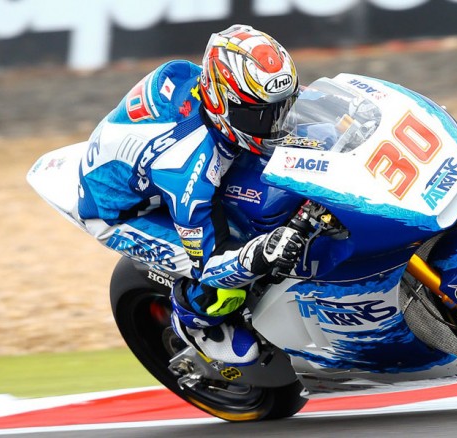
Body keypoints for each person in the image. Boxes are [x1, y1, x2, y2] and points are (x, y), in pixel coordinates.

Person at [77, 24, 305, 366]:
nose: (275, 123)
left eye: (282, 107)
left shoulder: (210, 89)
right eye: (258, 115)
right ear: (219, 102)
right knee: (229, 281)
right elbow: (211, 262)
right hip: (123, 211)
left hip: (151, 160)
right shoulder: (187, 169)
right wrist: (260, 253)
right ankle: (194, 324)